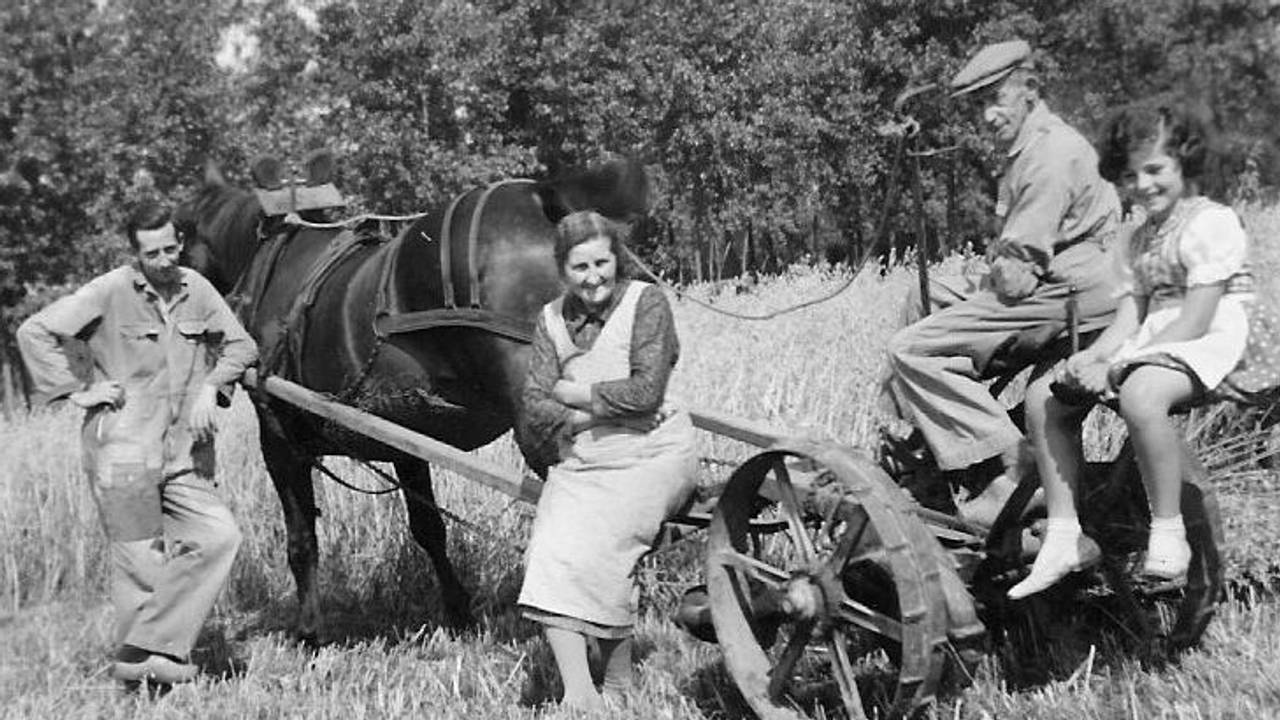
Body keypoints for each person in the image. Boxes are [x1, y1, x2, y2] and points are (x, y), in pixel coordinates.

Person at [1006, 102, 1280, 598]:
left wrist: (1118, 365)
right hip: (1157, 335)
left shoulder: (1210, 223)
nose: (1143, 185)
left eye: (1155, 170)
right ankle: (1064, 533)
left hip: (1215, 333)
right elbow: (1130, 319)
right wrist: (1095, 356)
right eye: (1130, 176)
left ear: (1185, 164)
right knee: (1046, 396)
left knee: (1140, 395)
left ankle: (1168, 531)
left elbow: (1197, 318)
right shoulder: (1135, 238)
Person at [17, 199, 257, 687]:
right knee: (140, 564)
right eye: (153, 253)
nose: (166, 260)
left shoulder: (198, 289)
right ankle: (148, 680)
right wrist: (79, 391)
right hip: (122, 454)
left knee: (218, 536)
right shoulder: (108, 291)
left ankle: (141, 653)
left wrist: (214, 385)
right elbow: (34, 331)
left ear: (181, 243)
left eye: (172, 248)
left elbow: (242, 345)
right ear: (135, 253)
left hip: (185, 453)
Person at [880, 39, 1121, 520]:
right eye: (978, 106)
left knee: (909, 348)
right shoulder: (1038, 145)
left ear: (1029, 89)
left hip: (1064, 294)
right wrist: (978, 282)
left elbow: (1015, 280)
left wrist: (985, 282)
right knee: (923, 298)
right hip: (1063, 282)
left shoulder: (1047, 159)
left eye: (996, 100)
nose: (987, 116)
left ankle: (1011, 466)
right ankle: (914, 455)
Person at [518, 210, 697, 711]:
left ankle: (619, 684)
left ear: (617, 259)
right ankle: (581, 694)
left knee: (601, 547)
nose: (593, 277)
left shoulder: (648, 302)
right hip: (587, 455)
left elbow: (645, 393)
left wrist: (570, 391)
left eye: (602, 263)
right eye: (580, 268)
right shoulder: (550, 319)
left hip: (653, 451)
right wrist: (579, 421)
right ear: (562, 271)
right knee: (547, 554)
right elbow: (533, 404)